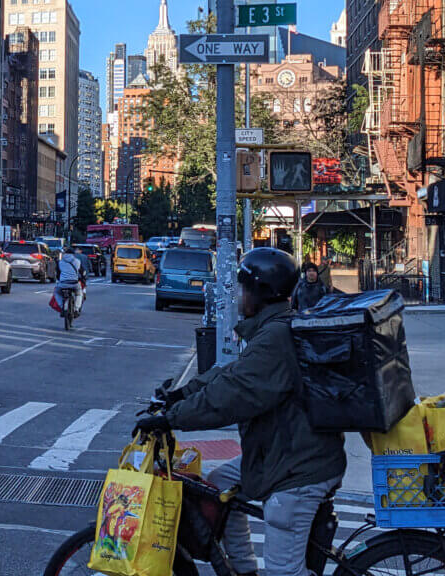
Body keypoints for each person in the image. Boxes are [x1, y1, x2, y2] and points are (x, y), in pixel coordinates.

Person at [134, 247, 346, 576]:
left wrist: (172, 419)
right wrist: (179, 395)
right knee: (221, 487)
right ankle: (244, 570)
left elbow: (233, 395)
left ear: (261, 292)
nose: (238, 297)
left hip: (300, 468)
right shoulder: (272, 329)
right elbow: (228, 375)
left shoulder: (275, 338)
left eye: (243, 289)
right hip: (282, 452)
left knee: (283, 571)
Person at [57, 246, 87, 316]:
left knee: (57, 292)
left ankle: (62, 307)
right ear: (73, 254)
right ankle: (76, 309)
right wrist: (83, 278)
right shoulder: (77, 261)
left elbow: (58, 273)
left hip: (63, 283)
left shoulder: (61, 262)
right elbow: (82, 272)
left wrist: (60, 279)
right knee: (79, 294)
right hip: (74, 283)